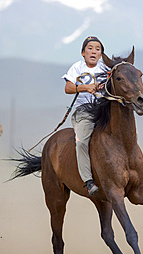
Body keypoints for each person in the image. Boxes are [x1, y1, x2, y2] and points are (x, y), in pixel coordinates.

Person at [62, 36, 108, 195]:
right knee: (81, 142)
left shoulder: (105, 69)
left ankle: (135, 175)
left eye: (98, 49)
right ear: (83, 52)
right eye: (90, 48)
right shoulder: (77, 67)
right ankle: (88, 180)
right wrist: (86, 87)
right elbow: (68, 88)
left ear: (101, 54)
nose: (94, 51)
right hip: (84, 111)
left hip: (104, 110)